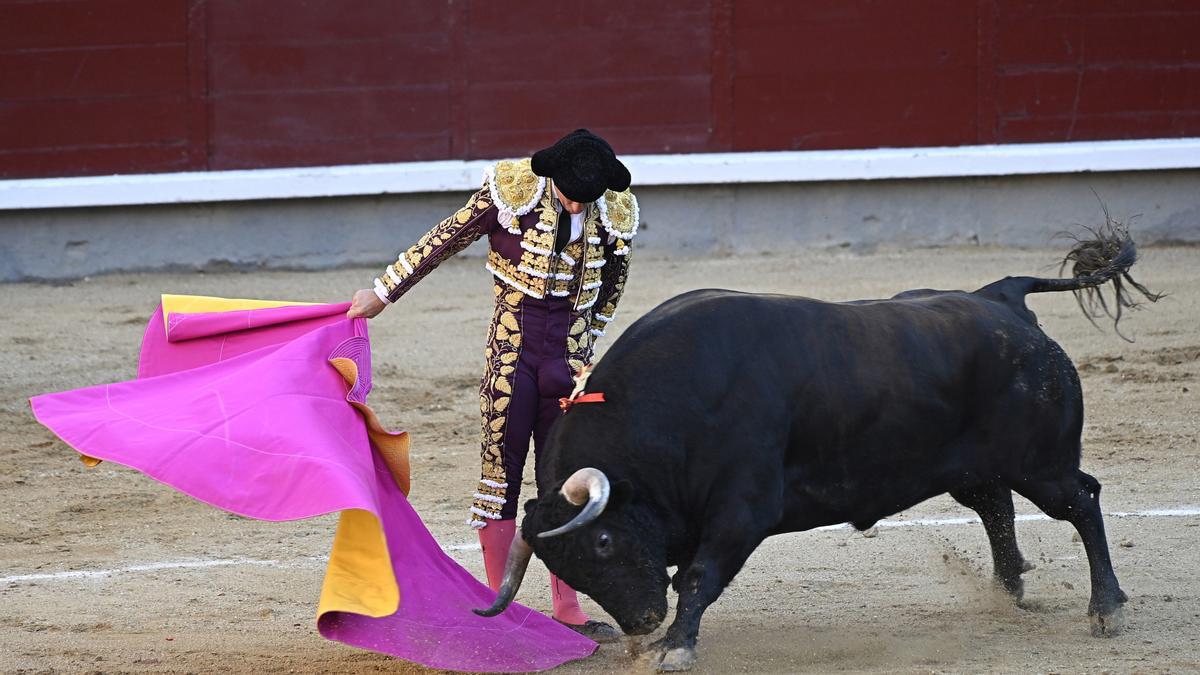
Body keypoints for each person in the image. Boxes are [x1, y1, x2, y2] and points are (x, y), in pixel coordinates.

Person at [347, 129, 639, 640]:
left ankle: (567, 607)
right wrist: (382, 291)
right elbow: (444, 238)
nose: (576, 202)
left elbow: (613, 285)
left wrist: (585, 346)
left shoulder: (612, 209)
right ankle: (496, 606)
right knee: (499, 477)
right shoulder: (512, 192)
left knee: (563, 478)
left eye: (585, 197)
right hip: (512, 358)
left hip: (567, 366)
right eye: (570, 192)